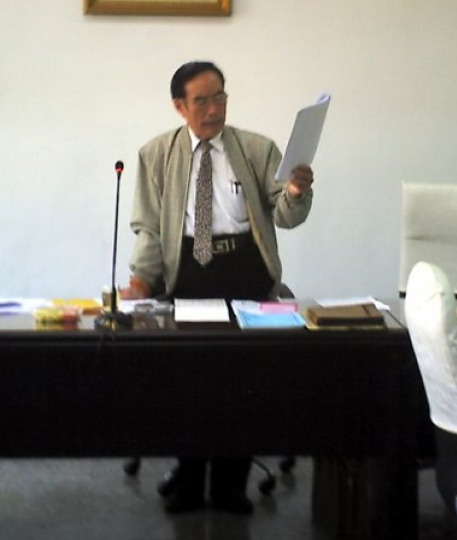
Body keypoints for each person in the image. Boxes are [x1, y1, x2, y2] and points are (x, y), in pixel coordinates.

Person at [121, 61, 315, 514]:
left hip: (246, 270)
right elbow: (149, 227)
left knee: (242, 385)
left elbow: (285, 216)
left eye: (220, 98)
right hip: (187, 272)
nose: (213, 109)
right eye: (202, 101)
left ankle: (231, 485)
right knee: (187, 384)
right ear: (180, 106)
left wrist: (295, 192)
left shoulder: (257, 149)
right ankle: (189, 480)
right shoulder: (156, 154)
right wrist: (140, 280)